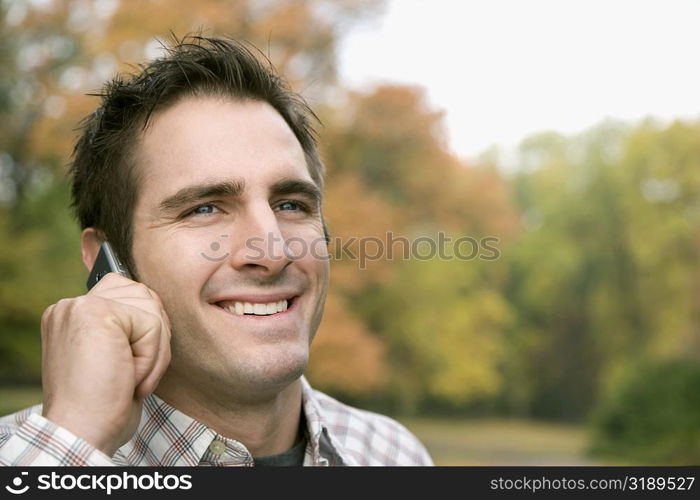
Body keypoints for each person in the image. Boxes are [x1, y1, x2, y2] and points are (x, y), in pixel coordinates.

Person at [0, 35, 432, 466]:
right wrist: (76, 435)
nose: (273, 251)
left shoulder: (393, 455)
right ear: (105, 260)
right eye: (205, 208)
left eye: (290, 204)